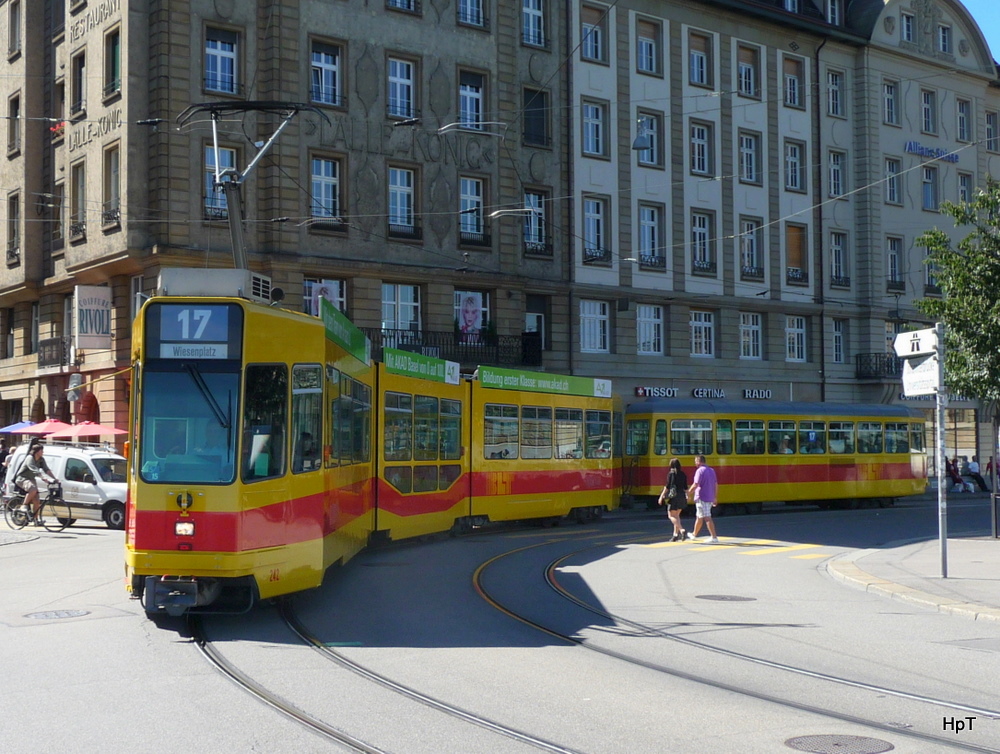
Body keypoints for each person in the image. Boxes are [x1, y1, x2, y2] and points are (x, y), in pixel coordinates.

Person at [14, 443, 57, 524]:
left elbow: (46, 469)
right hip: (22, 478)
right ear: (37, 451)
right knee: (33, 489)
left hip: (31, 479)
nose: (43, 452)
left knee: (37, 500)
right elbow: (33, 469)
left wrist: (55, 479)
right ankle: (24, 505)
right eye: (41, 450)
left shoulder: (41, 459)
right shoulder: (30, 458)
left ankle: (36, 520)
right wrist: (43, 478)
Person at [687, 454, 720, 544]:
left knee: (707, 517)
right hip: (709, 496)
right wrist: (715, 497)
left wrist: (688, 492)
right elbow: (716, 485)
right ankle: (694, 534)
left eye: (696, 461)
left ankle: (714, 537)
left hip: (702, 497)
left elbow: (696, 484)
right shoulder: (711, 470)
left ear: (699, 461)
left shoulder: (699, 471)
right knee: (699, 516)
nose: (695, 463)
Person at [657, 458, 689, 542]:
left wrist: (661, 496)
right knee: (677, 516)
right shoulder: (683, 474)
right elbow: (685, 487)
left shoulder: (671, 474)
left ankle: (682, 530)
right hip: (681, 496)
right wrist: (688, 496)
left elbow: (667, 487)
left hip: (674, 497)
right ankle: (675, 535)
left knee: (671, 516)